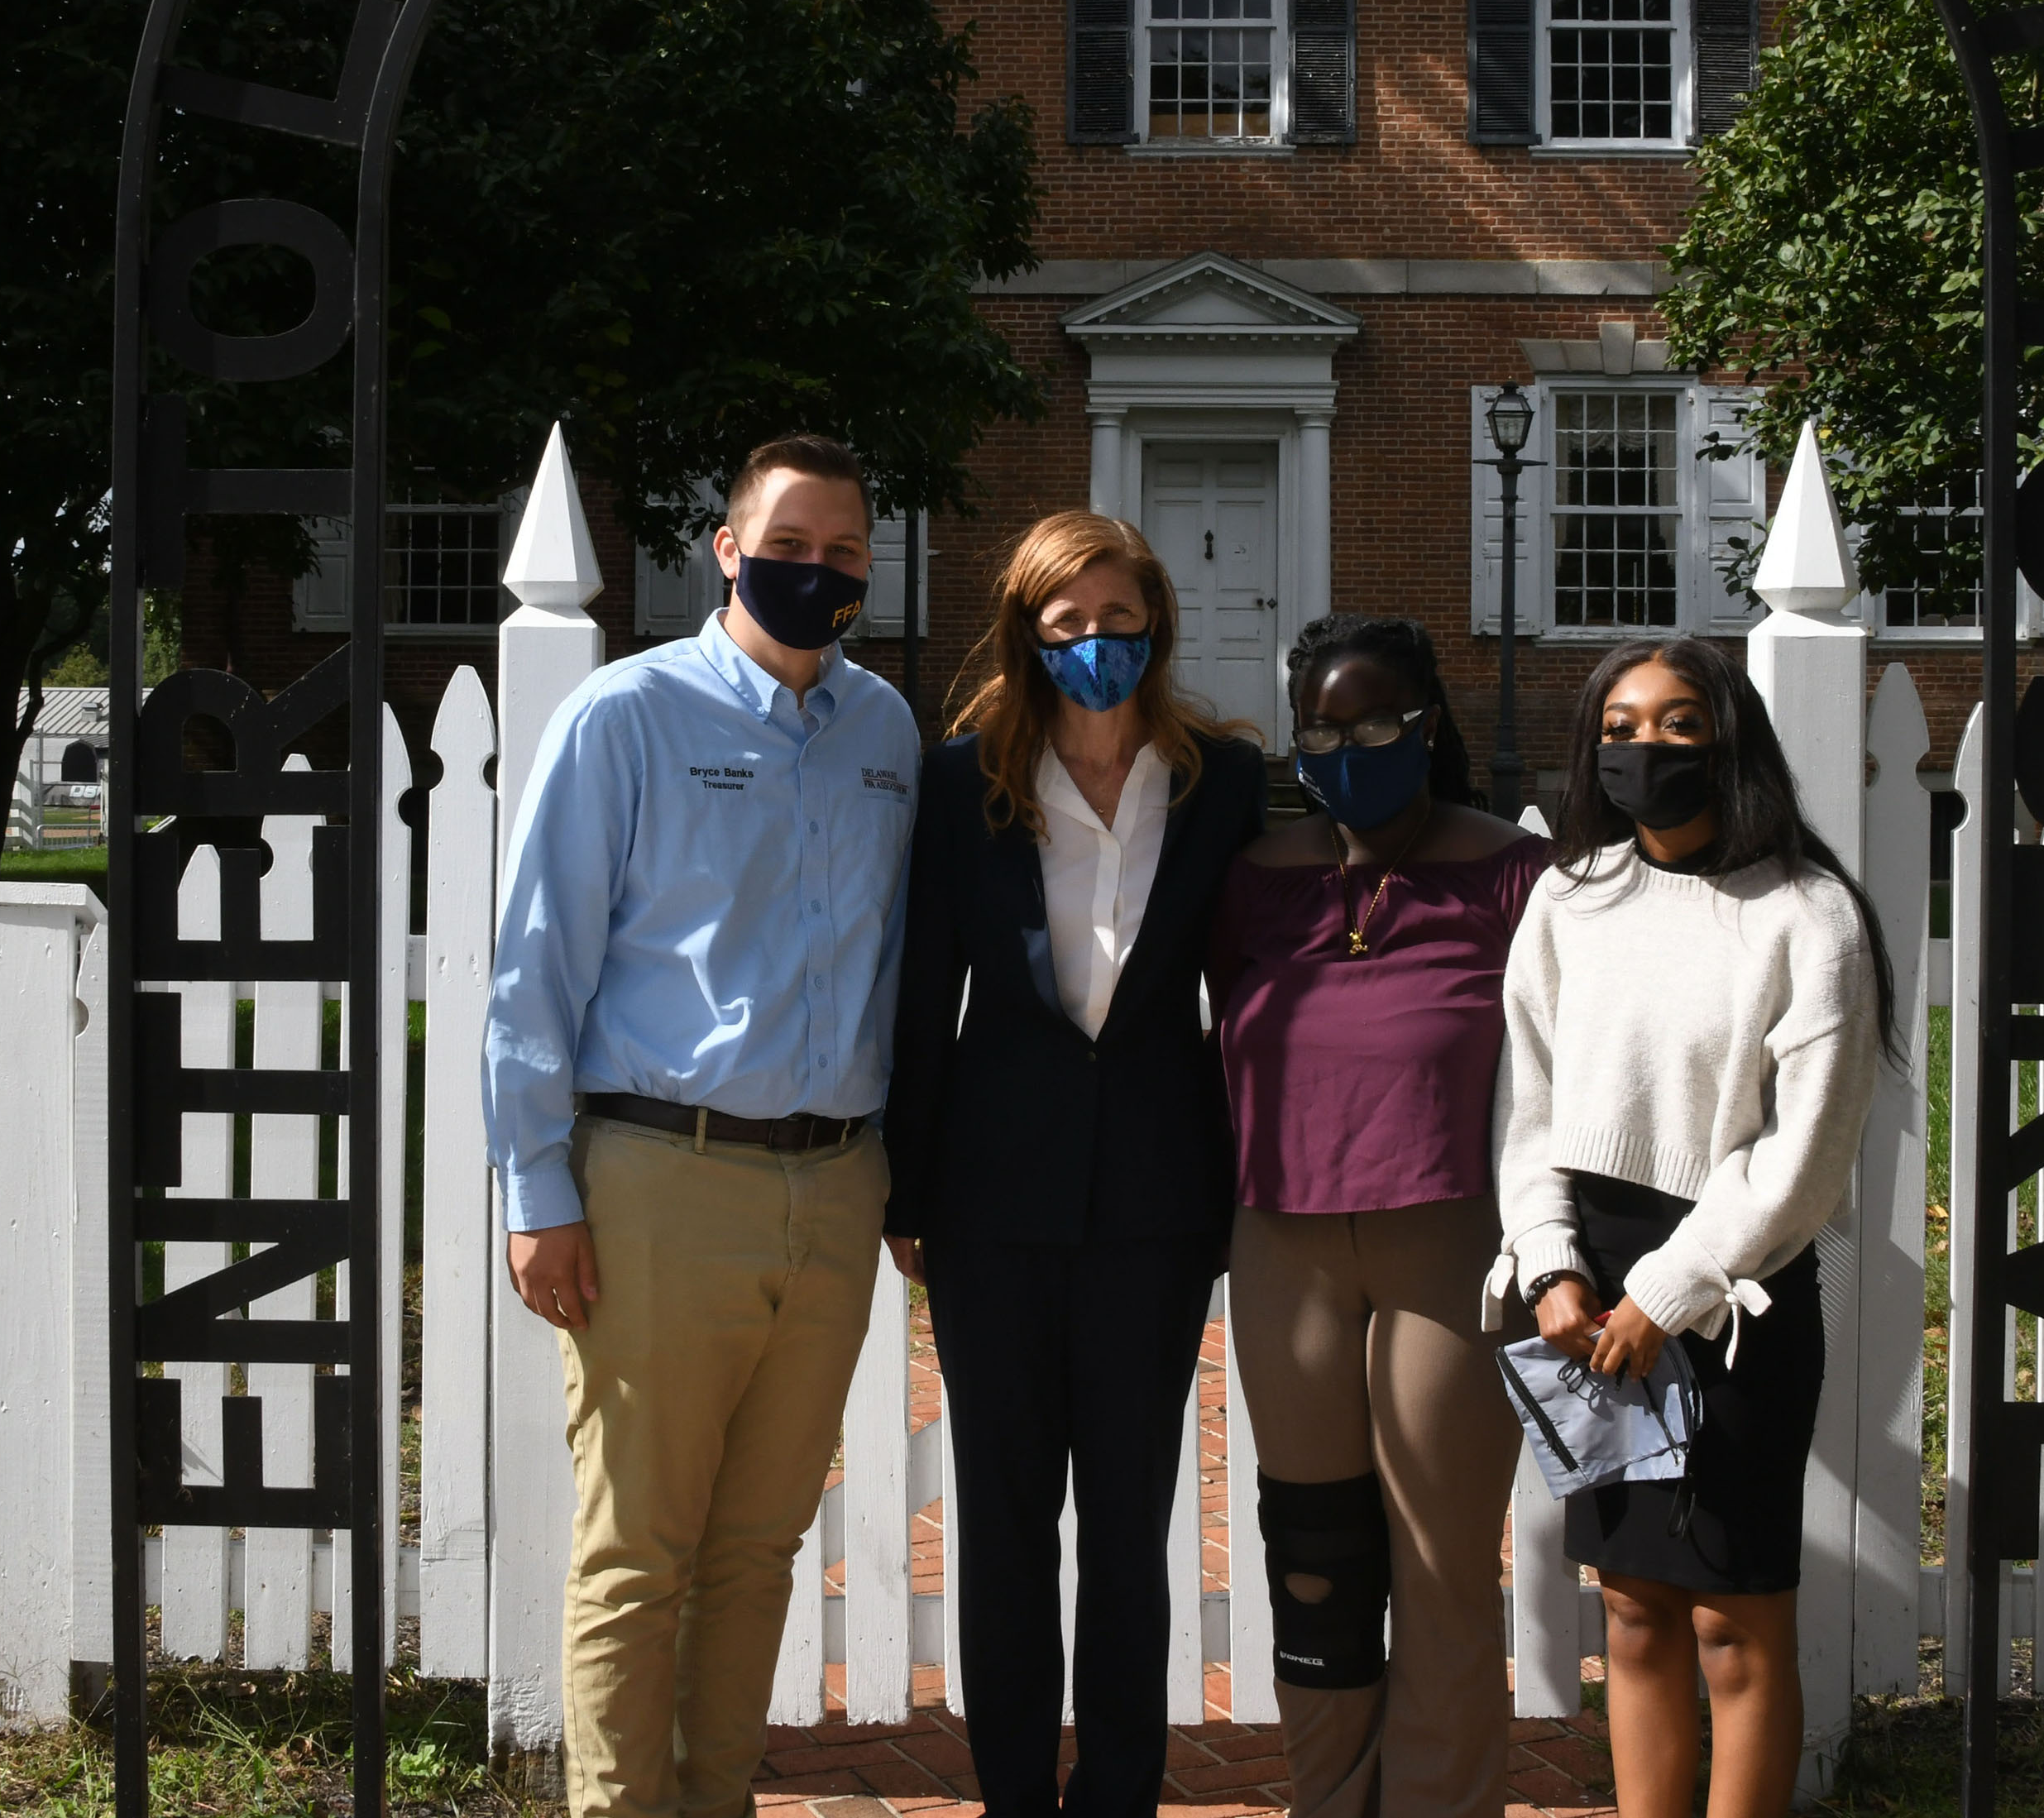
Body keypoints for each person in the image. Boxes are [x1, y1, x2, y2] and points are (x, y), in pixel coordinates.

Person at [481, 433, 917, 1818]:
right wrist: (534, 1184)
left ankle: (716, 1797)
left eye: (843, 551)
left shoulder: (888, 734)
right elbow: (533, 962)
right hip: (662, 1175)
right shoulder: (628, 716)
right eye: (787, 545)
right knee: (638, 1553)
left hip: (835, 1183)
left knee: (760, 1548)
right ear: (726, 549)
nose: (816, 570)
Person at [883, 512, 1263, 1818]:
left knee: (1127, 1521)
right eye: (1066, 625)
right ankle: (1011, 1796)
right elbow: (926, 995)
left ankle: (1119, 1792)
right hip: (992, 1206)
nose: (1094, 643)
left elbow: (1255, 986)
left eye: (1116, 619)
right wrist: (908, 1189)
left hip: (1156, 1206)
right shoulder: (962, 783)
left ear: (1153, 620)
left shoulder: (1222, 783)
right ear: (1027, 633)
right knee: (1001, 1520)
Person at [1493, 637, 1893, 1818]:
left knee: (1733, 1614)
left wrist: (1666, 1292)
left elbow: (1806, 1155)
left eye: (1676, 723)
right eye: (1620, 725)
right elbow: (1529, 1104)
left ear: (1729, 736)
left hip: (1733, 1294)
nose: (1645, 748)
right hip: (1586, 1293)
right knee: (1629, 1606)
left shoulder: (1808, 914)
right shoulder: (1570, 897)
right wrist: (1553, 1265)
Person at [1209, 615, 1549, 1818]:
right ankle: (1330, 1800)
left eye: (1377, 723)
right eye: (1322, 729)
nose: (1349, 747)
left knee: (1441, 1559)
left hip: (1448, 1240)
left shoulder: (1511, 870)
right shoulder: (1253, 879)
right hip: (1283, 1239)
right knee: (1315, 1559)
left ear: (1430, 725)